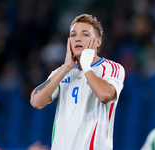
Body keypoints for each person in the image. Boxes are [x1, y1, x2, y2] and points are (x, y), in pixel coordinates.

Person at [30, 14, 125, 150]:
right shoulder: (61, 72)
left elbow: (105, 95)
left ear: (97, 42)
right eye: (73, 35)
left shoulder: (111, 68)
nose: (78, 38)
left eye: (85, 34)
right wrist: (66, 67)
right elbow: (36, 102)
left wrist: (86, 65)